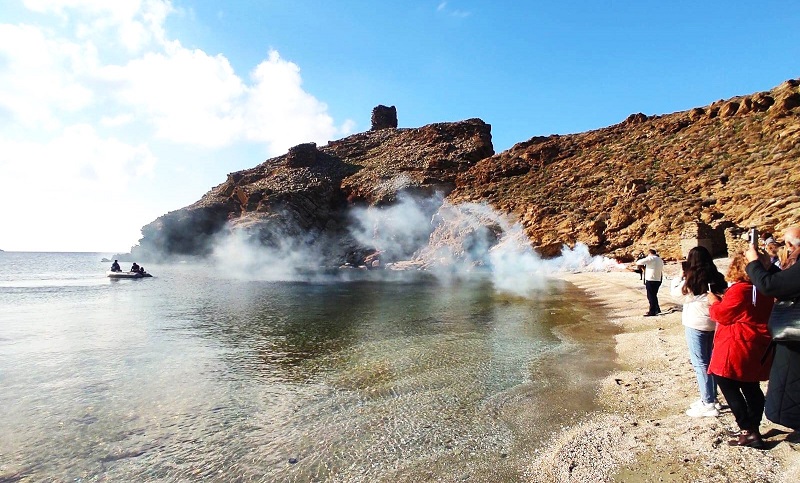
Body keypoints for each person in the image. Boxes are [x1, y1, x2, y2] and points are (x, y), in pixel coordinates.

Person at [707, 252, 775, 448]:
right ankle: (753, 428)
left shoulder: (741, 289)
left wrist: (714, 302)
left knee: (727, 382)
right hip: (758, 343)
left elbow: (722, 315)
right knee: (751, 385)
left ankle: (748, 429)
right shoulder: (765, 288)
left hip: (738, 343)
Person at [746, 225, 800, 431]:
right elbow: (787, 283)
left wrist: (753, 263)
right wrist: (766, 267)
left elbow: (771, 286)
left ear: (790, 245)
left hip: (795, 340)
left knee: (788, 395)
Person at [670, 245, 727, 417]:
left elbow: (675, 294)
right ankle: (712, 398)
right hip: (713, 323)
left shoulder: (692, 279)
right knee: (711, 362)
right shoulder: (717, 277)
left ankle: (708, 402)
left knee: (700, 364)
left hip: (696, 324)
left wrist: (680, 276)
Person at [634, 249, 664, 316]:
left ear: (650, 253)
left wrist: (644, 258)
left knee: (650, 296)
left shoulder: (651, 258)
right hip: (658, 279)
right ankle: (657, 309)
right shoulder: (660, 259)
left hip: (651, 279)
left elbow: (638, 262)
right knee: (654, 295)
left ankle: (652, 311)